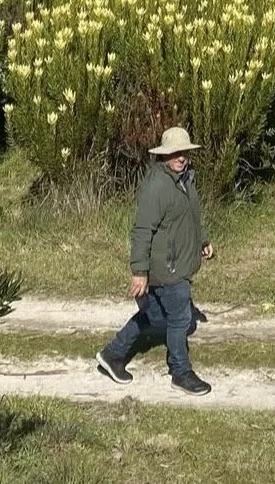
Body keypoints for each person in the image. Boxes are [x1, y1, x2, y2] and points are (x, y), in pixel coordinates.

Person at [95, 125, 215, 393]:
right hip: (166, 267)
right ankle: (181, 372)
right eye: (175, 153)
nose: (181, 157)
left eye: (184, 152)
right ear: (163, 155)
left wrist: (203, 241)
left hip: (177, 263)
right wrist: (139, 271)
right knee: (180, 319)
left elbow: (190, 218)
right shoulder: (158, 186)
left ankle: (112, 355)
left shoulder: (184, 180)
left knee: (156, 317)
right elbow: (141, 231)